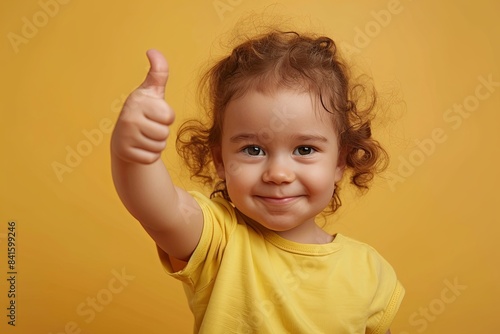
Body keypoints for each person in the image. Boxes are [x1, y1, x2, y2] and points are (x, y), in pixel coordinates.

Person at [111, 30, 404, 333]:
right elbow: (158, 209)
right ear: (221, 161)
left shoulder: (370, 271)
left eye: (304, 149)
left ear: (339, 162)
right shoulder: (218, 239)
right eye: (254, 150)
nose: (278, 174)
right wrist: (132, 156)